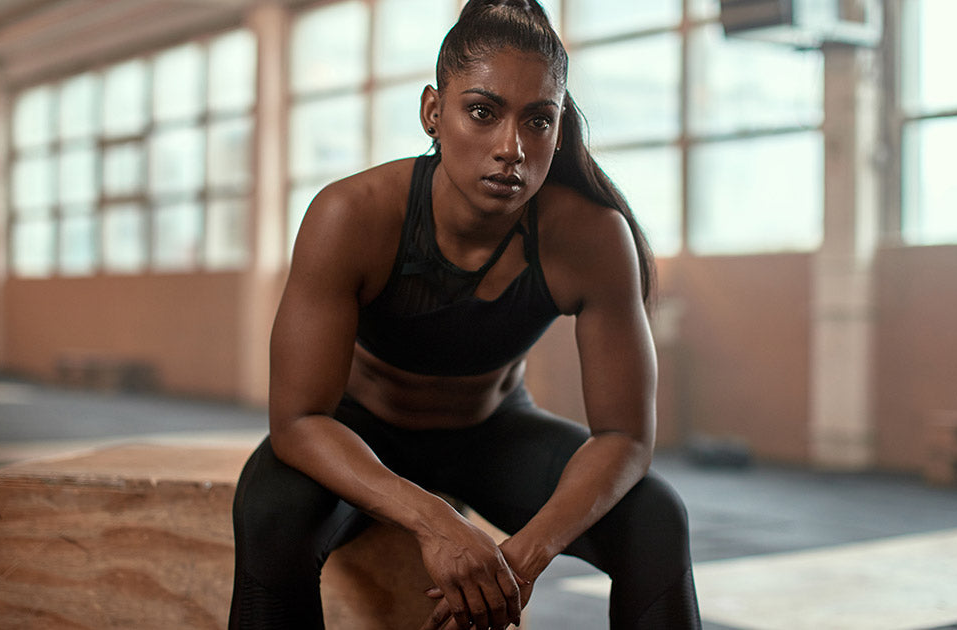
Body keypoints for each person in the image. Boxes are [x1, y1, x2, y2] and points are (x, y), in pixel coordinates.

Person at [229, 1, 701, 628]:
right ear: (433, 111)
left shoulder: (591, 237)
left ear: (558, 129)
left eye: (538, 120)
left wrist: (514, 567)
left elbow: (625, 438)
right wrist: (437, 524)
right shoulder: (351, 215)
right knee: (270, 512)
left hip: (491, 433)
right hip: (359, 431)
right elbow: (296, 421)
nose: (512, 148)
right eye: (482, 112)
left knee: (656, 519)